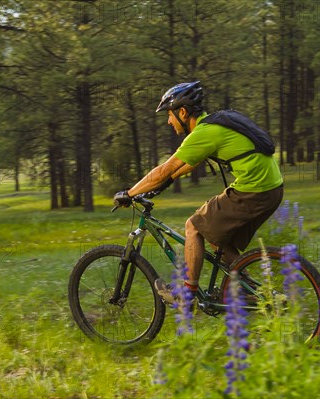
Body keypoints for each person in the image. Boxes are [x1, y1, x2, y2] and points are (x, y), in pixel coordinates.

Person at [114, 81, 283, 303]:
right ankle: (249, 289)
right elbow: (187, 165)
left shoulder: (203, 133)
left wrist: (130, 193)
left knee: (193, 226)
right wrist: (165, 183)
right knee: (215, 235)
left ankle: (187, 294)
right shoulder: (214, 125)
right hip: (270, 189)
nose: (168, 120)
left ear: (182, 112)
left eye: (169, 114)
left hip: (254, 189)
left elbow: (165, 169)